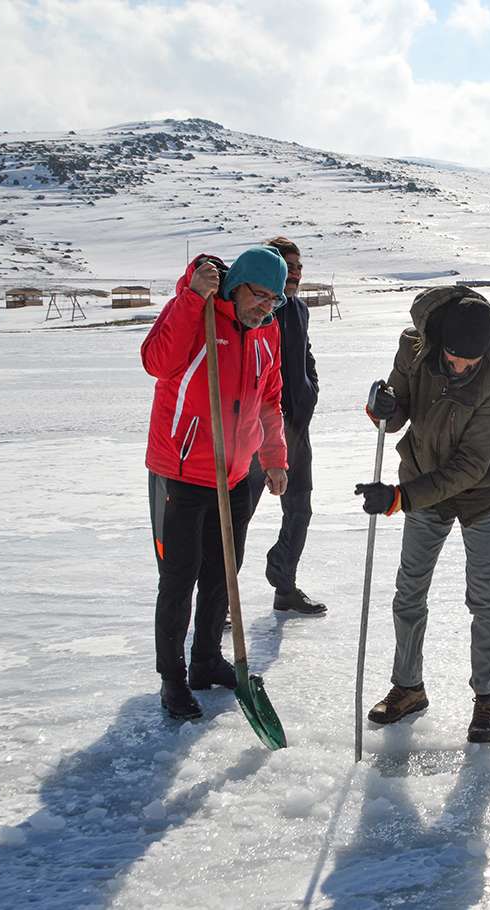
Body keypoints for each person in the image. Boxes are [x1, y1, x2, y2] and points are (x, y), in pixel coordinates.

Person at [356, 287, 490, 744]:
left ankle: (486, 699)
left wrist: (400, 498)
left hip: (483, 493)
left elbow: (470, 465)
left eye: (471, 361)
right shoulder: (413, 347)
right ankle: (408, 687)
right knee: (409, 590)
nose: (461, 367)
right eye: (453, 358)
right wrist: (382, 406)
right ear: (439, 339)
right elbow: (396, 413)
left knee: (484, 596)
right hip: (423, 480)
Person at [142, 247, 290, 720]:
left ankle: (206, 660)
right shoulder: (199, 311)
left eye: (274, 299)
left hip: (236, 472)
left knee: (223, 574)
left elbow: (271, 397)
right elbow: (156, 362)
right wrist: (190, 298)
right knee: (178, 578)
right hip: (182, 471)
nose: (265, 306)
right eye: (258, 295)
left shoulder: (267, 333)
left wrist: (274, 457)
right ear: (236, 285)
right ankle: (172, 678)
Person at [246, 236, 326, 614]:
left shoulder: (298, 310)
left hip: (296, 428)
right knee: (235, 516)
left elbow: (305, 356)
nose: (294, 273)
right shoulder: (255, 310)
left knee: (299, 509)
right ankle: (219, 596)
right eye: (287, 266)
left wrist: (310, 390)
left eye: (298, 267)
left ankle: (284, 584)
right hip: (253, 433)